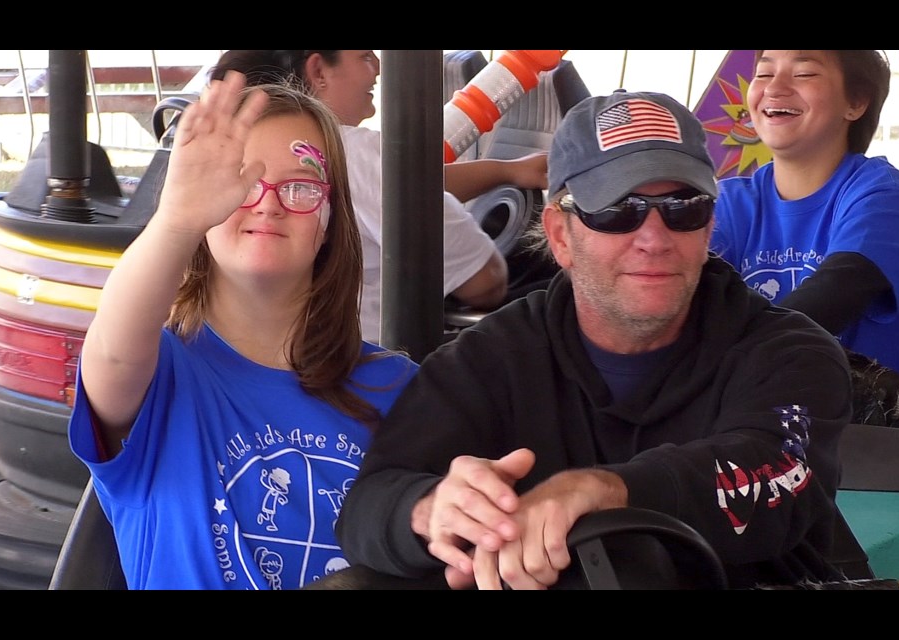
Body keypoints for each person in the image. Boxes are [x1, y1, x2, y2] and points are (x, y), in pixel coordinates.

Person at [335, 90, 854, 590]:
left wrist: (605, 492)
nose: (653, 239)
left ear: (708, 227)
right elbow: (370, 503)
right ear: (561, 235)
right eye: (618, 211)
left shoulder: (791, 353)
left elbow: (778, 472)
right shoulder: (494, 356)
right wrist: (431, 509)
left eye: (683, 207)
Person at [68, 73, 418, 590]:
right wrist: (175, 221)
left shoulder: (399, 387)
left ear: (328, 220)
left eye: (301, 185)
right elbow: (114, 354)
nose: (268, 202)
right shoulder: (158, 376)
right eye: (240, 183)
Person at [209, 50, 551, 344]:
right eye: (364, 55)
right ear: (317, 70)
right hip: (358, 357)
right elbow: (485, 281)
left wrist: (504, 171)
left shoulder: (215, 160)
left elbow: (398, 191)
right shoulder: (357, 151)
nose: (377, 67)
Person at [710, 50, 899, 381]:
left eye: (804, 74)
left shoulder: (883, 194)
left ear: (856, 102)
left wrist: (720, 367)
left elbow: (841, 287)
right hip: (755, 413)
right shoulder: (729, 202)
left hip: (871, 422)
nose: (774, 88)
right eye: (764, 75)